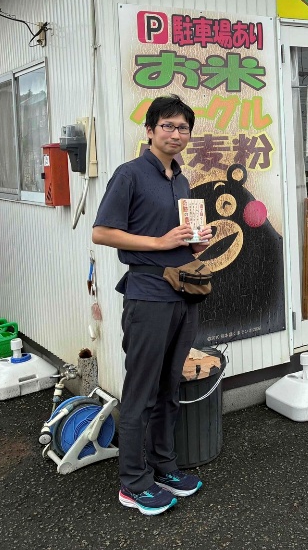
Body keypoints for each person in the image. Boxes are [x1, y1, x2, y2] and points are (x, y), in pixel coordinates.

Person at [92, 95, 213, 515]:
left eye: (183, 128)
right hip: (147, 294)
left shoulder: (180, 179)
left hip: (183, 291)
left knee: (169, 388)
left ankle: (164, 466)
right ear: (149, 131)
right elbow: (103, 233)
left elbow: (178, 237)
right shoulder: (129, 175)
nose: (176, 134)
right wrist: (160, 244)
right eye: (168, 126)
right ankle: (133, 481)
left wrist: (196, 241)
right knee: (142, 390)